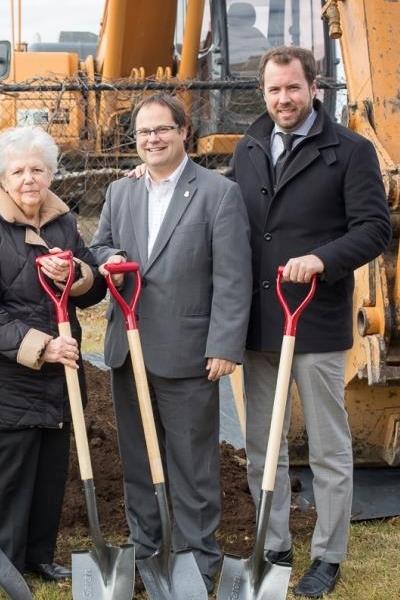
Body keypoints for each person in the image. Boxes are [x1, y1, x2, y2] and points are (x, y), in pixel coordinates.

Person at [230, 46, 391, 597]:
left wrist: (323, 258)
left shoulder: (349, 150)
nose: (283, 99)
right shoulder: (249, 146)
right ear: (264, 93)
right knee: (261, 443)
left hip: (314, 317)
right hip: (259, 319)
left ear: (313, 87)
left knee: (327, 445)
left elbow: (375, 229)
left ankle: (328, 554)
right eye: (273, 90)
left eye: (292, 89)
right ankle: (271, 543)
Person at [91, 93, 252, 594]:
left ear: (184, 132)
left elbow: (232, 276)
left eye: (162, 130)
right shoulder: (121, 192)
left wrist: (224, 343)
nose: (152, 139)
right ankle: (148, 554)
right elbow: (98, 246)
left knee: (193, 465)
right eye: (143, 133)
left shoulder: (218, 194)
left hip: (189, 351)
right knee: (139, 462)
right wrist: (111, 255)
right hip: (129, 349)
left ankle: (199, 560)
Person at [0, 126, 106, 588]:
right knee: (10, 477)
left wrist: (77, 273)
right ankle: (0, 564)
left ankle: (39, 558)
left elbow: (91, 288)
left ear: (52, 174)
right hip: (12, 376)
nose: (29, 179)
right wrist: (42, 347)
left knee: (49, 474)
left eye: (38, 169)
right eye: (19, 170)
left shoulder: (63, 223)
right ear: (2, 177)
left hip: (59, 378)